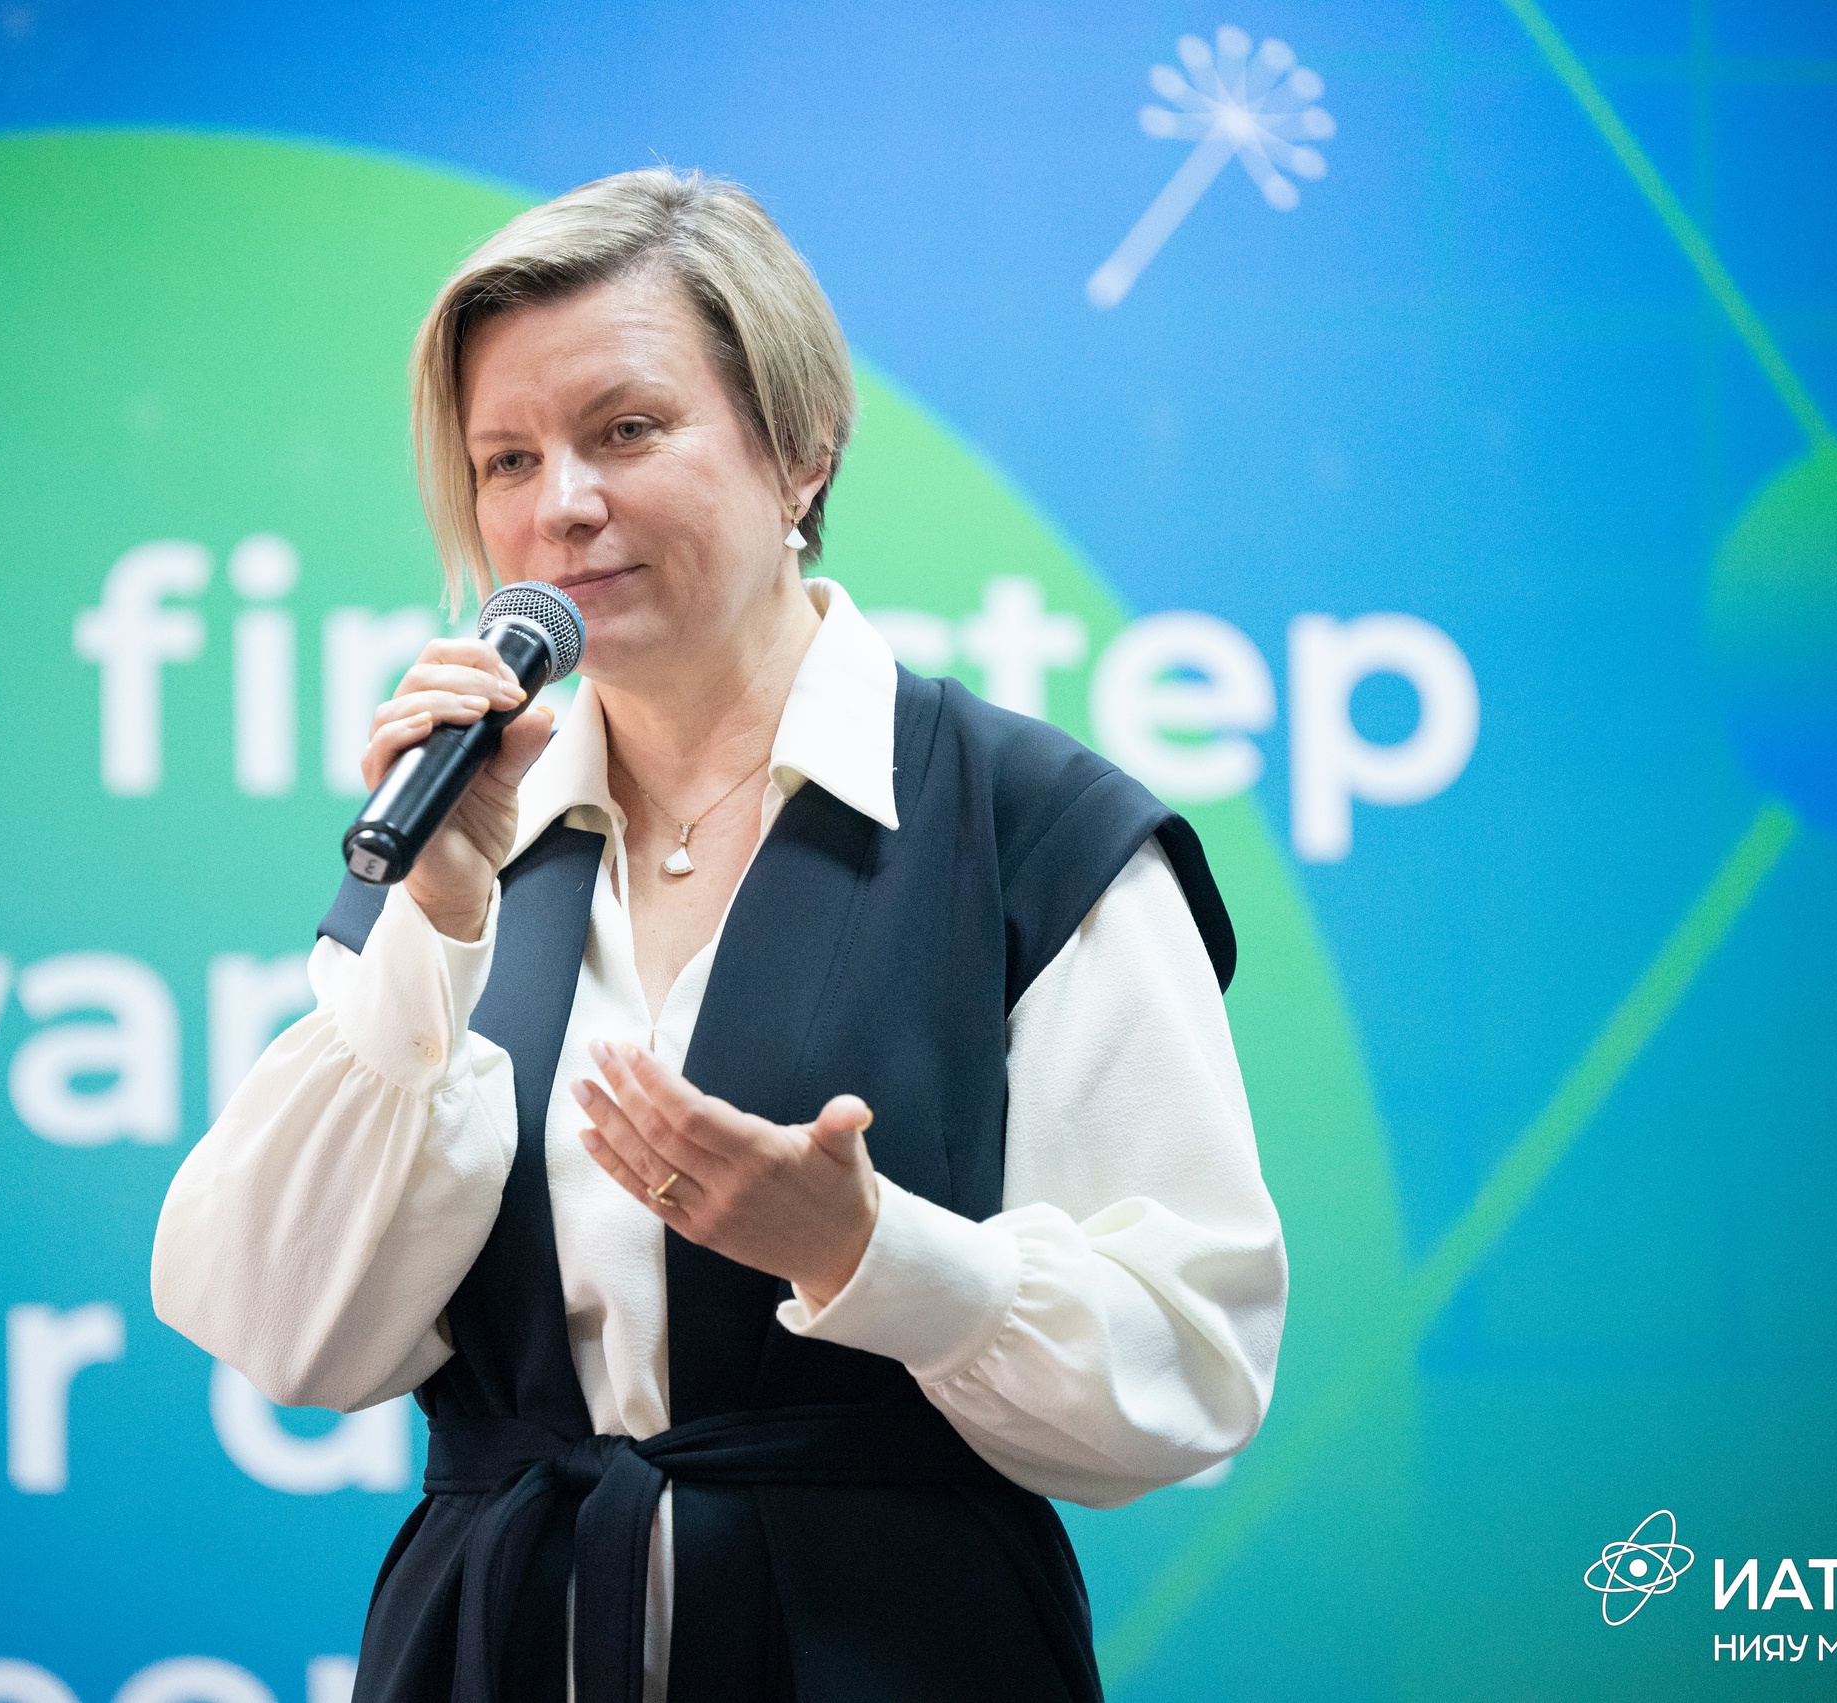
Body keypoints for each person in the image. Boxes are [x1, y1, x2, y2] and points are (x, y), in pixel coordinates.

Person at [151, 166, 1286, 1703]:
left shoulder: (1030, 829)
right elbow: (290, 1335)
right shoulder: (449, 829)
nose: (560, 504)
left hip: (899, 1650)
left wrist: (870, 1253)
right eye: (506, 459)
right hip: (496, 1648)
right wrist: (434, 932)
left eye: (626, 430)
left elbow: (1195, 1368)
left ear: (801, 449)